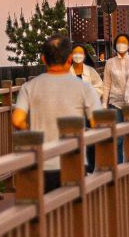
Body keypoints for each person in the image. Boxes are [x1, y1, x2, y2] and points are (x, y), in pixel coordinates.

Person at [11, 35, 101, 192]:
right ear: (70, 59)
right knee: (73, 210)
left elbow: (17, 120)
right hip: (74, 160)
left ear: (43, 59)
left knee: (45, 210)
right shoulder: (84, 88)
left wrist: (31, 134)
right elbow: (97, 123)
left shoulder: (29, 86)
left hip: (43, 160)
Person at [102, 33, 129, 109]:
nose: (121, 44)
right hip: (115, 103)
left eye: (124, 42)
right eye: (118, 42)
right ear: (115, 45)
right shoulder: (109, 62)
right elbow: (106, 85)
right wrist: (104, 104)